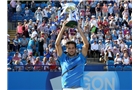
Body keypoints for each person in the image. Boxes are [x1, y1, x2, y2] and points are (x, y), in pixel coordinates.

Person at [55, 20, 89, 90]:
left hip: (79, 88)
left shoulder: (81, 58)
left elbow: (86, 44)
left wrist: (78, 28)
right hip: (66, 88)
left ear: (76, 49)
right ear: (66, 49)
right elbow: (57, 44)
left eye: (73, 48)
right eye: (69, 48)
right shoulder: (63, 58)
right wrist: (63, 28)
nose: (71, 50)